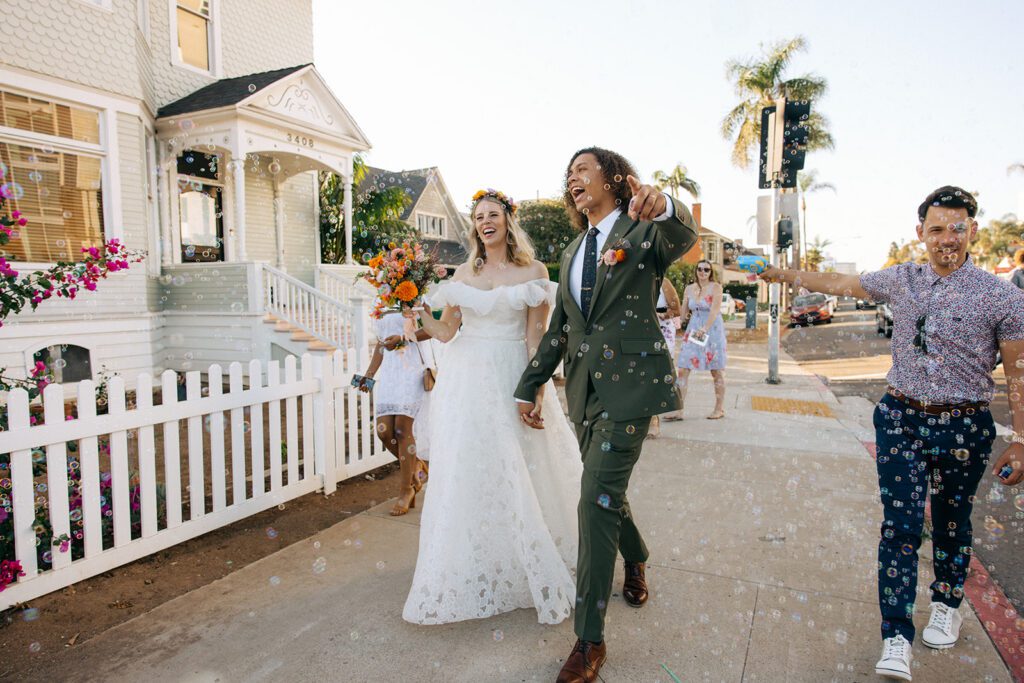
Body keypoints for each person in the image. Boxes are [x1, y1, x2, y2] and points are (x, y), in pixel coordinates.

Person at [760, 186, 1024, 682]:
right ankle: (896, 635)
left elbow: (1019, 371)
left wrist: (1023, 438)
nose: (948, 238)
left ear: (973, 232)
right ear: (920, 233)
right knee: (899, 528)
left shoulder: (1002, 297)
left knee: (951, 520)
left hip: (964, 425)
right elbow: (841, 281)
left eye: (958, 228)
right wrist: (785, 273)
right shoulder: (902, 279)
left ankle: (947, 602)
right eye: (938, 228)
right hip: (902, 418)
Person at [514, 147, 699, 683]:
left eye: (583, 170)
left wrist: (665, 205)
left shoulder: (645, 232)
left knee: (592, 499)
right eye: (568, 172)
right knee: (605, 491)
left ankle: (589, 639)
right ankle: (636, 554)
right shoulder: (572, 250)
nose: (573, 179)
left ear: (615, 179)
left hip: (633, 389)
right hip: (583, 391)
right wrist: (530, 386)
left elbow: (682, 236)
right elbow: (562, 329)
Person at [401, 189, 584, 628]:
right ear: (474, 225)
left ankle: (530, 559)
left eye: (494, 215)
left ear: (507, 221)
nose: (486, 222)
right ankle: (473, 558)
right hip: (465, 381)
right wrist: (417, 315)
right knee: (473, 468)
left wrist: (535, 388)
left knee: (523, 464)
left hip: (510, 374)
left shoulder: (534, 272)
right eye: (479, 216)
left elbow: (535, 338)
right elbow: (446, 332)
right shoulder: (462, 274)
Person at [357, 313, 430, 516]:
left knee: (401, 429)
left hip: (411, 369)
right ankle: (415, 464)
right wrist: (369, 374)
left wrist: (403, 337)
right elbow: (381, 344)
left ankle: (407, 489)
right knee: (384, 432)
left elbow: (431, 330)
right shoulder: (380, 302)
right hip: (390, 373)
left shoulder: (418, 293)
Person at [665, 259, 727, 421]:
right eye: (700, 269)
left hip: (711, 330)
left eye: (706, 270)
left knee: (716, 370)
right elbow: (683, 313)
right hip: (694, 330)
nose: (703, 272)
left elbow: (714, 312)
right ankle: (679, 410)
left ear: (711, 272)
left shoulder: (716, 288)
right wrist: (669, 319)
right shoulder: (689, 289)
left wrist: (704, 329)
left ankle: (719, 409)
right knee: (683, 368)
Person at [648, 278, 683, 438]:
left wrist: (660, 315)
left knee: (657, 374)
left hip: (662, 329)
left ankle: (654, 420)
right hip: (641, 329)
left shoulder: (664, 282)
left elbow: (676, 310)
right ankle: (647, 418)